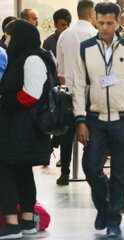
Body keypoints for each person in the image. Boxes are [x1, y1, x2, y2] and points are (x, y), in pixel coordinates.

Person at [73, 2, 124, 237]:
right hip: (94, 118)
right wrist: (80, 119)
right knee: (91, 167)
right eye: (100, 22)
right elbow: (78, 86)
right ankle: (105, 206)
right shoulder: (85, 48)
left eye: (109, 23)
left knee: (121, 171)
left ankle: (113, 219)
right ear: (94, 20)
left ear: (118, 22)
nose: (104, 27)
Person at [0, 19, 56, 239]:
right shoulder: (30, 57)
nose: (7, 41)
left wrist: (4, 100)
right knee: (22, 172)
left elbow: (30, 95)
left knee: (4, 171)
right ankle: (26, 221)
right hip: (21, 126)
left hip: (23, 128)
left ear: (21, 37)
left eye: (10, 37)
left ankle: (13, 225)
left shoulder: (33, 59)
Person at [55, 0, 97, 185]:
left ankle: (65, 172)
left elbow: (61, 72)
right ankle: (91, 172)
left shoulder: (64, 35)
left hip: (70, 94)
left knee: (67, 134)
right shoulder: (96, 34)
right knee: (94, 135)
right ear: (91, 14)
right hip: (92, 95)